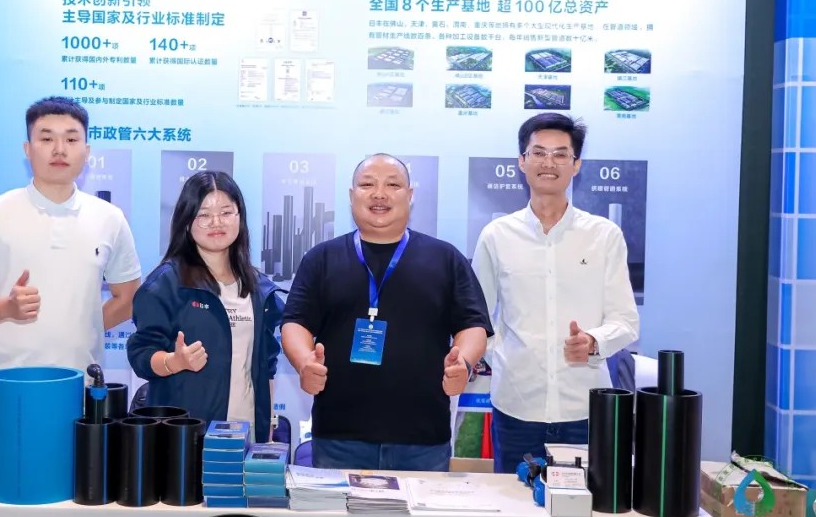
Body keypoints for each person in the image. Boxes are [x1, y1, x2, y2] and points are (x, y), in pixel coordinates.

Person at [0, 96, 141, 517]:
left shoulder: (108, 218)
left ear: (86, 151)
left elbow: (127, 297)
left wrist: (81, 321)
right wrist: (7, 307)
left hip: (80, 402)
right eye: (47, 138)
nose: (60, 148)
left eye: (71, 139)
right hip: (2, 402)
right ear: (27, 148)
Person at [281, 153, 492, 472]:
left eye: (393, 185)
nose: (379, 194)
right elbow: (295, 322)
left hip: (423, 439)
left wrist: (462, 362)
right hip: (339, 436)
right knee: (338, 509)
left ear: (410, 195)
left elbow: (473, 324)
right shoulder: (321, 258)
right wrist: (303, 362)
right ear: (352, 195)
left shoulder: (445, 258)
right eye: (367, 185)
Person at [473, 113, 640, 474]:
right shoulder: (496, 236)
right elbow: (477, 318)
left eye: (561, 154)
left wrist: (593, 341)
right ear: (522, 161)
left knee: (586, 508)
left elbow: (626, 321)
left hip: (584, 408)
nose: (548, 163)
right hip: (516, 406)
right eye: (538, 152)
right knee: (513, 505)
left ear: (576, 164)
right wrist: (503, 354)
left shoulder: (604, 236)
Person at [127, 172, 283, 443]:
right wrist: (173, 362)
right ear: (187, 222)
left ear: (240, 217)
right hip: (186, 436)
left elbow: (266, 365)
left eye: (226, 212)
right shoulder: (166, 284)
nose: (216, 222)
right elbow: (141, 354)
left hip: (246, 433)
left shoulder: (259, 287)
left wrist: (267, 424)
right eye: (204, 215)